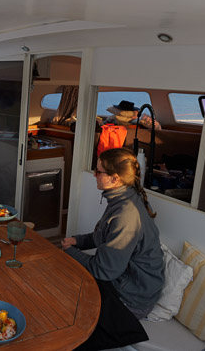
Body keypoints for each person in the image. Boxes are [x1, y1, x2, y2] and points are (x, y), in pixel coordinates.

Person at [61, 147, 165, 350]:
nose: (94, 174)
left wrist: (69, 253)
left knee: (71, 318)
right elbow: (103, 237)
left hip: (133, 298)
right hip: (122, 282)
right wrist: (78, 241)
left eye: (99, 171)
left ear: (115, 178)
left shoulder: (127, 215)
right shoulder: (120, 199)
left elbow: (103, 271)